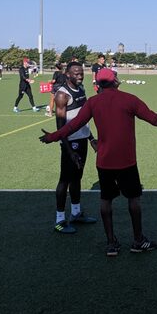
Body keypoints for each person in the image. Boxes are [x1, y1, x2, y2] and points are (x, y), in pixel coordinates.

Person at [39, 68, 157, 256]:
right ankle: (138, 241)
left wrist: (53, 137)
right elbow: (154, 119)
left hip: (104, 161)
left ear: (98, 84)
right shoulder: (129, 99)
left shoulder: (93, 102)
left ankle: (111, 244)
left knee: (106, 200)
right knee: (133, 199)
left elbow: (73, 125)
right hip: (126, 160)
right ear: (115, 81)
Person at [51, 61, 98, 234]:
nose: (80, 75)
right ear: (68, 74)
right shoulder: (62, 95)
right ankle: (60, 220)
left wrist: (91, 138)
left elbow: (83, 118)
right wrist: (69, 151)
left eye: (81, 73)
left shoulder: (82, 90)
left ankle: (76, 213)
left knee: (77, 177)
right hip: (70, 143)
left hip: (83, 140)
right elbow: (60, 128)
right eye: (76, 73)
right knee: (65, 179)